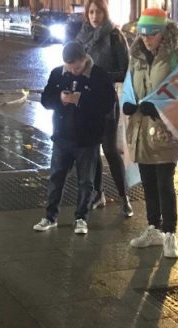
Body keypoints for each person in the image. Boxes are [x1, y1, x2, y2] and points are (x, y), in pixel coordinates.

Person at [122, 8, 178, 258]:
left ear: (163, 32)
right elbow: (130, 85)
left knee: (165, 184)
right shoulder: (137, 57)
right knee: (149, 183)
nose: (146, 38)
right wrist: (128, 103)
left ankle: (170, 233)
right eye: (142, 33)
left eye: (152, 33)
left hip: (165, 132)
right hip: (140, 130)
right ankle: (153, 227)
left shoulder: (176, 58)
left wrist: (160, 107)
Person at [33, 42, 116, 236]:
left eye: (76, 67)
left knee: (85, 181)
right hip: (62, 136)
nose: (73, 70)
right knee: (56, 177)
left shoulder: (98, 75)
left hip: (88, 138)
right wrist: (60, 99)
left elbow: (107, 104)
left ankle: (81, 218)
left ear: (84, 59)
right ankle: (50, 216)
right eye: (69, 67)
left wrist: (81, 100)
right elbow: (46, 99)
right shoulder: (58, 74)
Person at [74, 0, 131, 217]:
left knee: (109, 149)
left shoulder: (114, 36)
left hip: (107, 99)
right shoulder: (82, 37)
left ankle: (124, 196)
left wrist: (100, 77)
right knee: (91, 148)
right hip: (85, 101)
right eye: (91, 11)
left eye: (98, 11)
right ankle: (99, 193)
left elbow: (125, 70)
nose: (94, 15)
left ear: (105, 13)